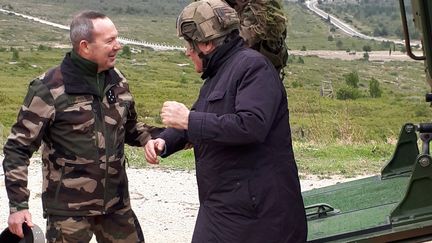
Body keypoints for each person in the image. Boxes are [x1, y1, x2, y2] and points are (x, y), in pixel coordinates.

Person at [144, 0, 307, 242]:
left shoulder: (254, 67)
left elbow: (250, 126)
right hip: (226, 207)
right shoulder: (221, 72)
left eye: (189, 44)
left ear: (207, 44)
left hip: (258, 216)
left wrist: (188, 119)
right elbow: (205, 116)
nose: (187, 52)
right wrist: (164, 142)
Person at [3, 10, 162, 243]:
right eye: (110, 41)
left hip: (116, 206)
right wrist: (18, 206)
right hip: (69, 211)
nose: (118, 46)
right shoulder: (49, 88)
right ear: (85, 46)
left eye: (117, 38)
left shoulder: (117, 81)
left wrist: (155, 138)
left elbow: (128, 127)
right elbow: (17, 148)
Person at [224, 0, 289, 77]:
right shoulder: (267, 7)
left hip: (255, 73)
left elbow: (242, 40)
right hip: (266, 71)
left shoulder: (255, 11)